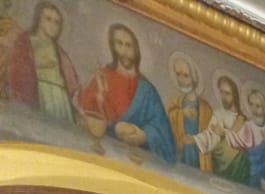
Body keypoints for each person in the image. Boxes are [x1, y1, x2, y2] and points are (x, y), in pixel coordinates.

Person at [76, 23, 176, 164]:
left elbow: (163, 132)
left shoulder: (147, 91)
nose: (124, 51)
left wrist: (144, 135)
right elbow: (85, 113)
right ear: (113, 46)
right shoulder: (102, 77)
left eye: (128, 45)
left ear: (136, 49)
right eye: (119, 44)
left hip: (134, 161)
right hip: (97, 156)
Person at [25, 2, 77, 124]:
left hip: (60, 99)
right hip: (40, 93)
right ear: (38, 20)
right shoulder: (27, 42)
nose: (53, 25)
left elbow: (71, 82)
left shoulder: (60, 53)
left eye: (57, 22)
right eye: (48, 19)